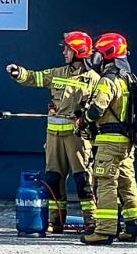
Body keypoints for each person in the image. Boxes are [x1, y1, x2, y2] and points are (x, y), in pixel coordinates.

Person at [6, 30, 96, 234]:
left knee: (83, 181)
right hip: (54, 138)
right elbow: (35, 77)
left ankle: (91, 221)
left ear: (79, 52)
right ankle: (56, 221)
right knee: (53, 180)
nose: (64, 53)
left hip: (78, 139)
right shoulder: (58, 73)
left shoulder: (94, 79)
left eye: (68, 49)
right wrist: (19, 73)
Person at [80, 32, 137, 245]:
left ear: (107, 54)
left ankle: (105, 231)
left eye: (98, 53)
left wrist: (83, 119)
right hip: (127, 142)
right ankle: (133, 227)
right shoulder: (129, 78)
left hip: (109, 140)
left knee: (105, 183)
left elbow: (97, 110)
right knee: (127, 183)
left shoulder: (108, 80)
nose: (95, 58)